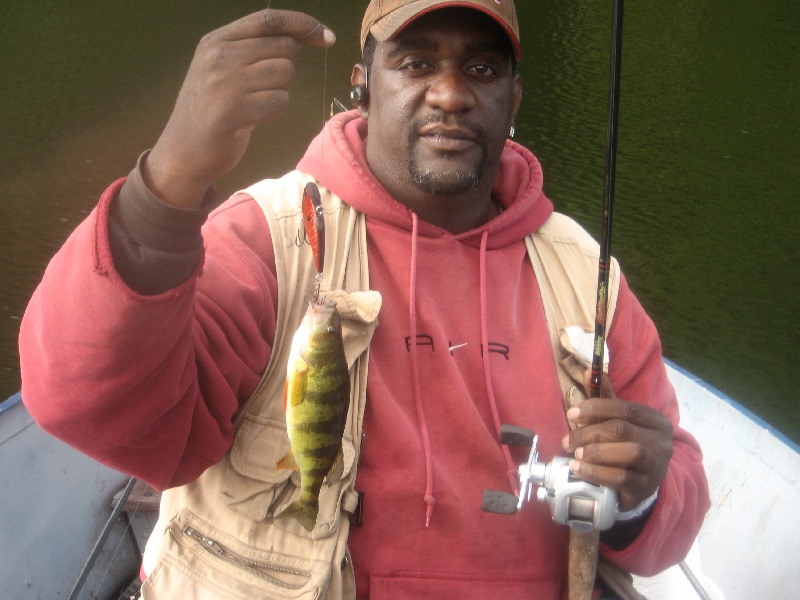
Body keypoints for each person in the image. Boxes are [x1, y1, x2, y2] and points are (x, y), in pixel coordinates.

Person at [19, 1, 710, 598]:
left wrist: (641, 495)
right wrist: (168, 178)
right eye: (414, 64)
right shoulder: (269, 237)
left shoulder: (585, 274)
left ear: (514, 97)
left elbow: (667, 526)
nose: (449, 94)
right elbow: (84, 403)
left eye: (480, 69)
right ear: (363, 88)